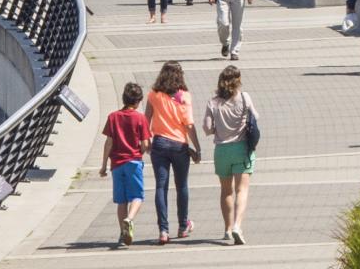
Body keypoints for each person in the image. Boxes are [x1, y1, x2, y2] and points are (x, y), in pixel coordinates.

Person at [144, 61, 202, 244]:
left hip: (159, 144)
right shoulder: (184, 96)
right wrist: (197, 148)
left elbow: (145, 121)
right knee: (181, 186)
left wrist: (146, 142)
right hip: (179, 146)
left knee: (161, 186)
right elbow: (189, 125)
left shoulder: (153, 95)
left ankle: (163, 230)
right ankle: (183, 226)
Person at [201, 65, 257, 245]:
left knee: (226, 191)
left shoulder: (213, 102)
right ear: (238, 81)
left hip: (221, 151)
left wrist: (220, 127)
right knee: (242, 189)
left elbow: (207, 129)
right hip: (241, 148)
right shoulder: (244, 97)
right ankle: (237, 226)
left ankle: (226, 228)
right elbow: (255, 116)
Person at [102, 81, 151, 247]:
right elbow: (145, 144)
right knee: (137, 196)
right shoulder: (140, 118)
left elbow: (108, 143)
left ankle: (122, 235)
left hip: (116, 164)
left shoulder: (113, 117)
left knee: (121, 200)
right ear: (138, 101)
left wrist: (103, 165)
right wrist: (140, 152)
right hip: (133, 162)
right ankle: (129, 220)